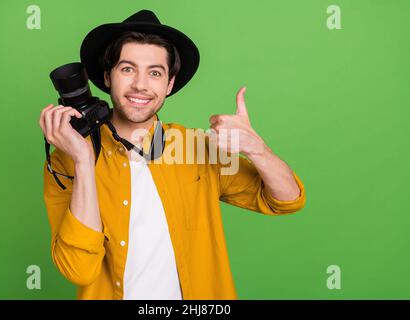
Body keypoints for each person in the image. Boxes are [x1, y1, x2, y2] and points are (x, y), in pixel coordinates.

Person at [39, 9, 306, 300]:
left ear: (169, 84)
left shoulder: (197, 149)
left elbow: (287, 200)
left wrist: (256, 148)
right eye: (127, 69)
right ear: (107, 76)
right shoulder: (65, 161)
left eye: (155, 73)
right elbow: (79, 270)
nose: (140, 84)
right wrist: (83, 160)